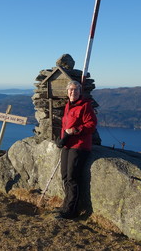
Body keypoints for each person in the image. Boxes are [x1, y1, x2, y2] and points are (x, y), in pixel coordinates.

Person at [55, 80, 97, 219]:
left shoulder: (85, 106)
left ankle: (71, 210)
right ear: (67, 92)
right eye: (70, 90)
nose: (73, 92)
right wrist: (62, 139)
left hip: (79, 145)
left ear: (80, 92)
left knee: (73, 177)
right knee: (65, 176)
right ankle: (65, 205)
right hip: (67, 144)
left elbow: (91, 124)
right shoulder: (68, 106)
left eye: (75, 90)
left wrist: (76, 130)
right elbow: (64, 125)